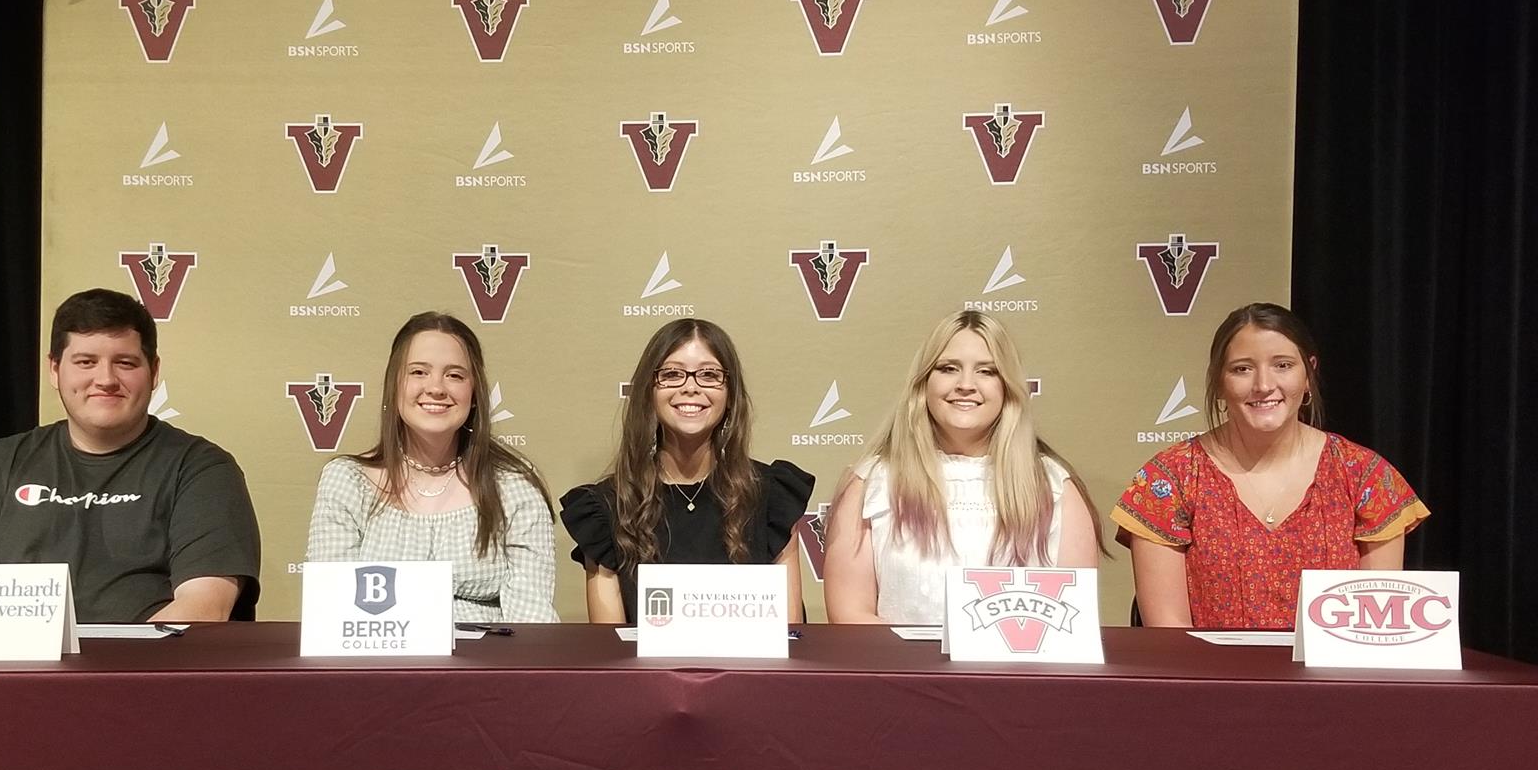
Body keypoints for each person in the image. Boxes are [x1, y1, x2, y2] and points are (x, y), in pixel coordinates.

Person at [0, 288, 260, 623]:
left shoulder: (202, 469)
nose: (106, 379)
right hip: (19, 672)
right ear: (54, 370)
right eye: (86, 362)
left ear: (154, 372)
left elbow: (204, 611)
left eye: (125, 363)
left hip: (146, 675)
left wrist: (101, 674)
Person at [1112, 302, 1428, 630]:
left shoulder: (1365, 476)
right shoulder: (1169, 478)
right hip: (1212, 678)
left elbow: (1376, 631)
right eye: (1242, 369)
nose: (1263, 385)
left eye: (1282, 365)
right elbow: (1167, 632)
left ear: (1309, 373)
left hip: (1331, 680)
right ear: (1219, 382)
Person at [823, 310, 1100, 624]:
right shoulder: (871, 483)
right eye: (948, 368)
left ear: (1008, 387)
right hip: (903, 673)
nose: (966, 384)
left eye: (987, 371)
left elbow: (1074, 624)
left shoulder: (1055, 487)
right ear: (923, 383)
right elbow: (850, 616)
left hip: (1020, 673)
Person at [306, 311, 555, 622]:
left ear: (474, 394)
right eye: (419, 372)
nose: (436, 388)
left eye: (454, 375)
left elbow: (532, 624)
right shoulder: (346, 480)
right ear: (394, 386)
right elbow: (331, 613)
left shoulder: (514, 487)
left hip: (487, 666)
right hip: (378, 666)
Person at [560, 319, 813, 625]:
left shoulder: (773, 497)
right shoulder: (605, 508)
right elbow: (611, 645)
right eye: (672, 374)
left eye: (709, 375)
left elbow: (787, 634)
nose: (690, 387)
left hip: (751, 673)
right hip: (645, 674)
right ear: (648, 391)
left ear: (730, 394)